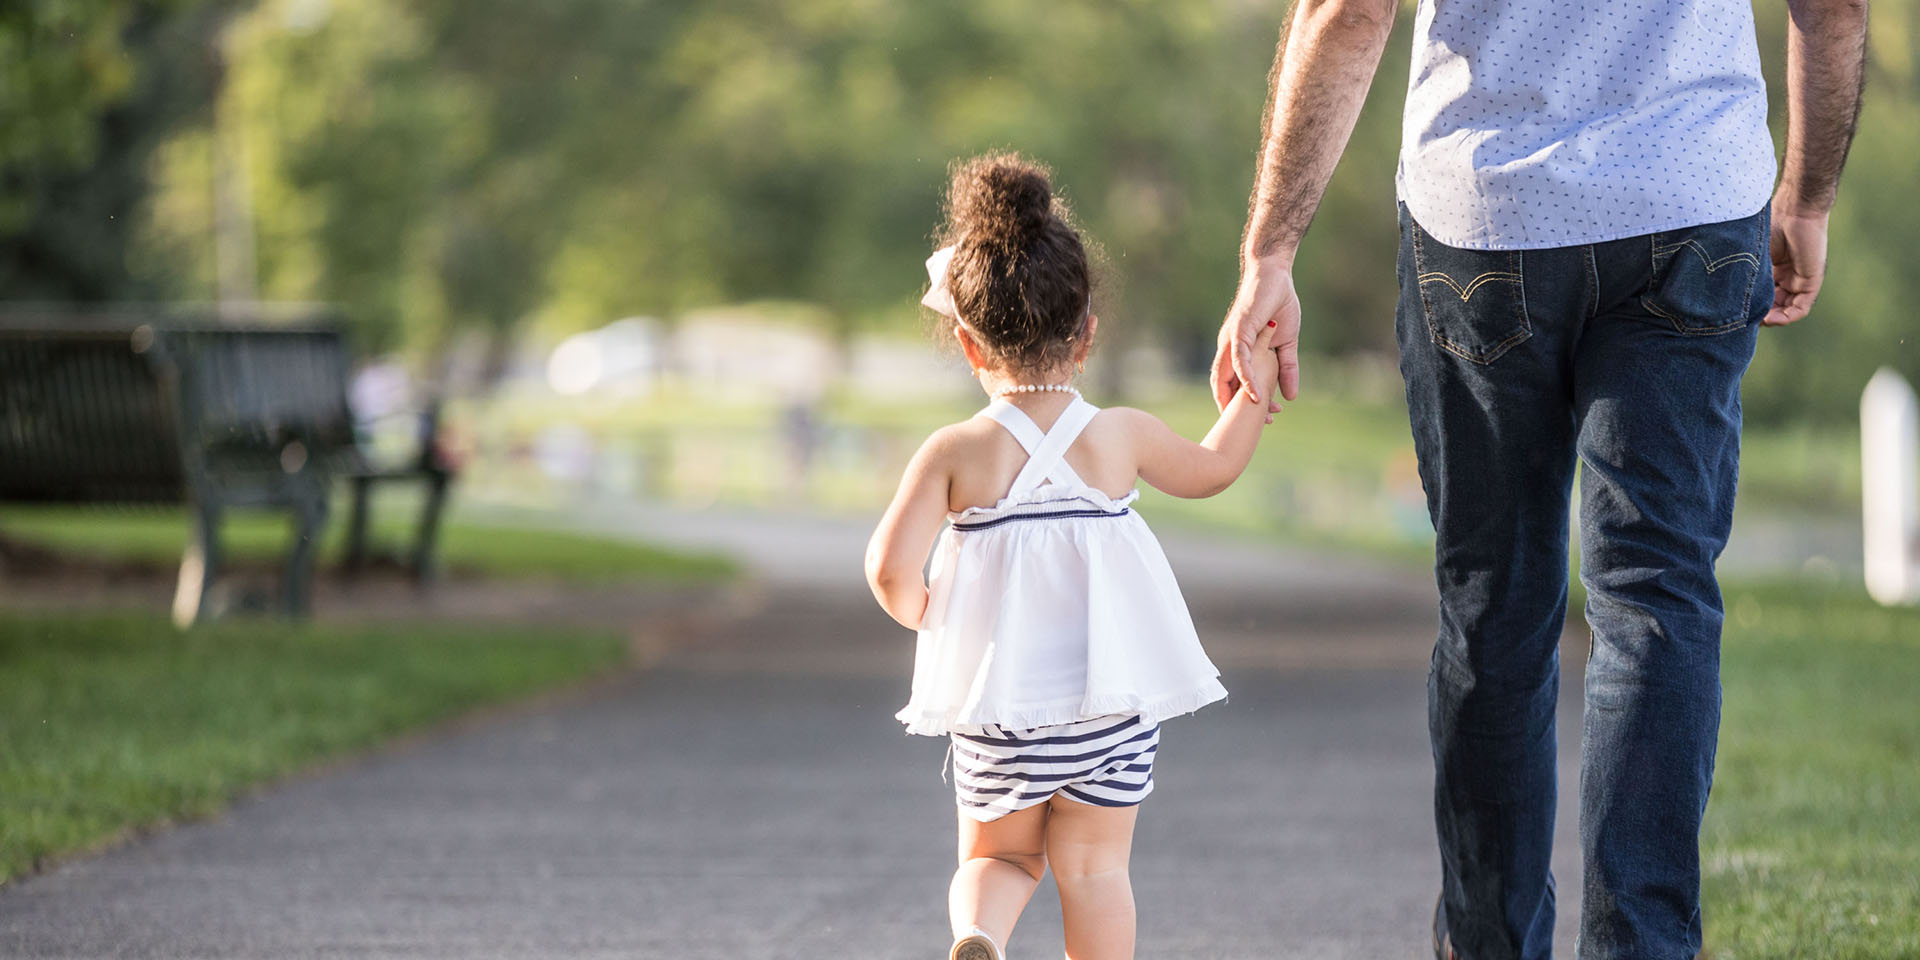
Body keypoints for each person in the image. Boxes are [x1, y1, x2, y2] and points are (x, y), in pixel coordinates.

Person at [1210, 1, 1871, 958]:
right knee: (1656, 599)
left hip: (1487, 212)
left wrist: (1270, 248)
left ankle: (1490, 943)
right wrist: (1807, 198)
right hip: (1689, 198)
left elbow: (1350, 11)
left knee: (1496, 605)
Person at [866, 153, 1281, 960]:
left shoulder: (955, 452)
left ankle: (981, 933)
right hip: (1111, 707)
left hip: (999, 709)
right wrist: (1253, 381)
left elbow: (889, 568)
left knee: (996, 856)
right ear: (1088, 331)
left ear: (968, 344)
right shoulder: (1118, 436)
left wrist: (936, 615)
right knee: (1094, 870)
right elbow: (1212, 468)